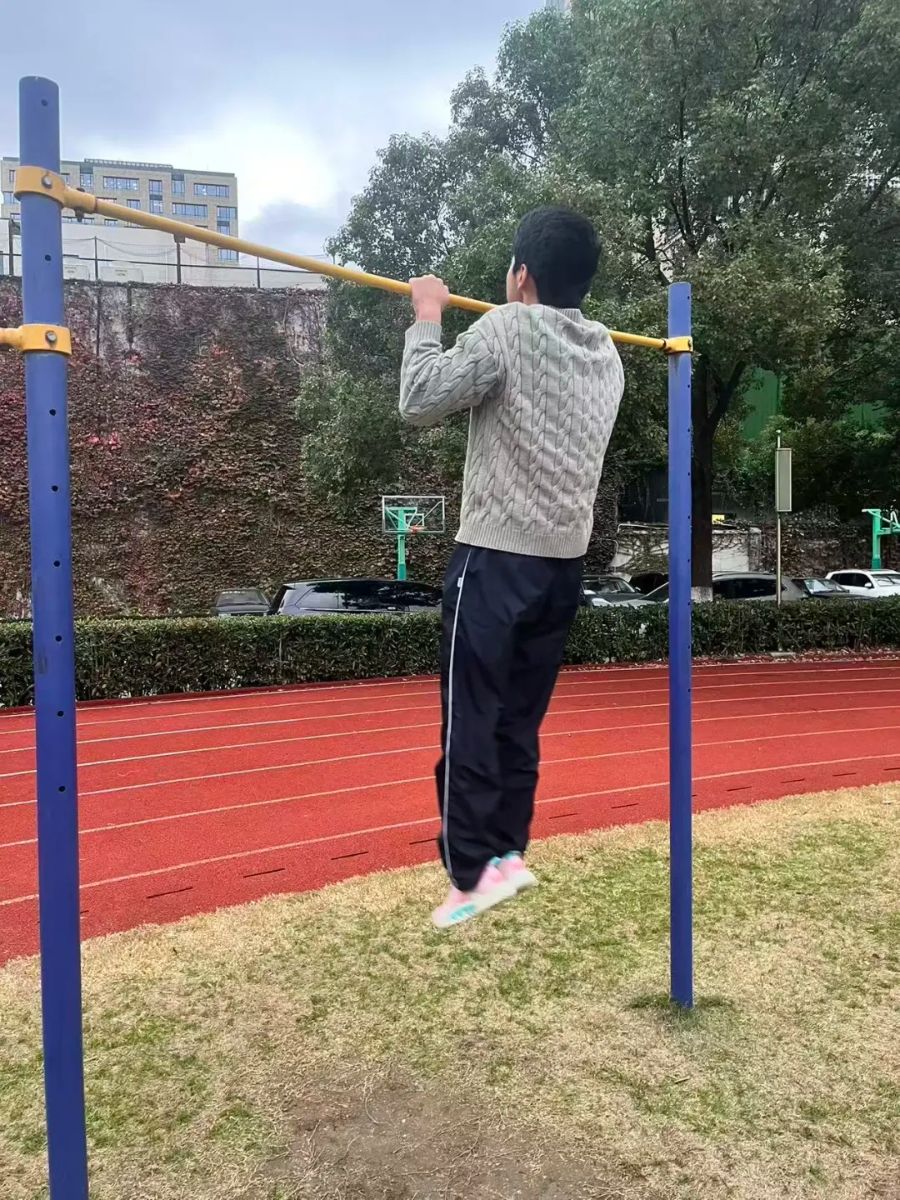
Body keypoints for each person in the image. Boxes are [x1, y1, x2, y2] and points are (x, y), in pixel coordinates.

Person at [399, 206, 625, 929]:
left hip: (495, 560)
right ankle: (507, 853)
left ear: (520, 275)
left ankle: (469, 876)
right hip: (562, 567)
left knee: (470, 717)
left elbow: (419, 399)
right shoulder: (608, 353)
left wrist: (427, 313)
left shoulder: (505, 328)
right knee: (518, 720)